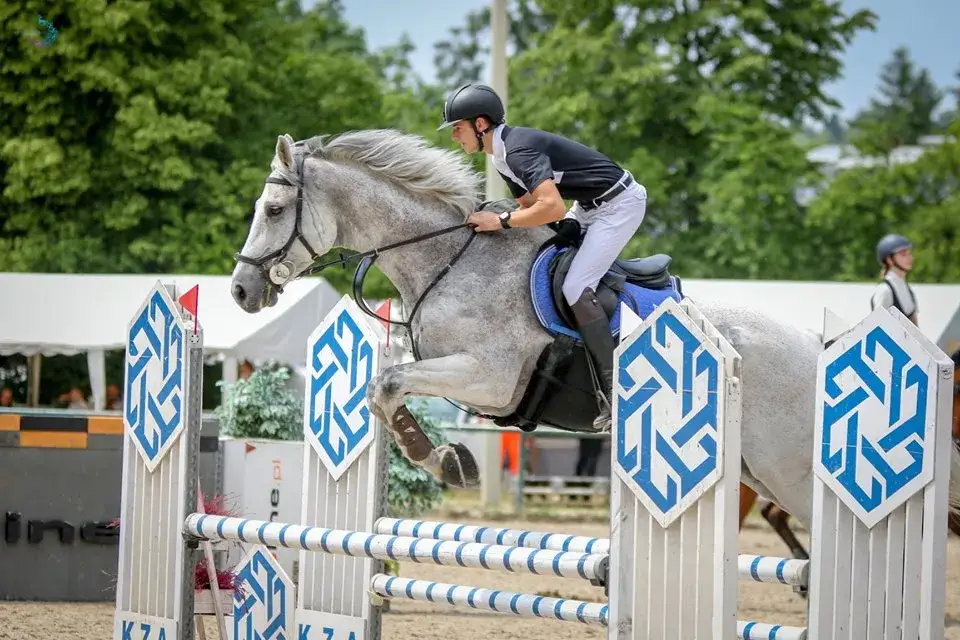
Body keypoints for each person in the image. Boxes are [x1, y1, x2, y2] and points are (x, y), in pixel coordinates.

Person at [439, 83, 648, 430]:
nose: (453, 137)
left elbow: (550, 205)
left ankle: (617, 391)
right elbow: (534, 209)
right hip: (587, 208)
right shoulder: (501, 158)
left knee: (575, 286)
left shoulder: (518, 150)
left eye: (457, 128)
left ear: (480, 124)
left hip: (618, 206)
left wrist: (500, 221)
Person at [871, 233, 918, 326]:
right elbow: (876, 327)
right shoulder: (884, 290)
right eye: (903, 254)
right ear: (889, 260)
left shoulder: (907, 288)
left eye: (909, 253)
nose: (910, 257)